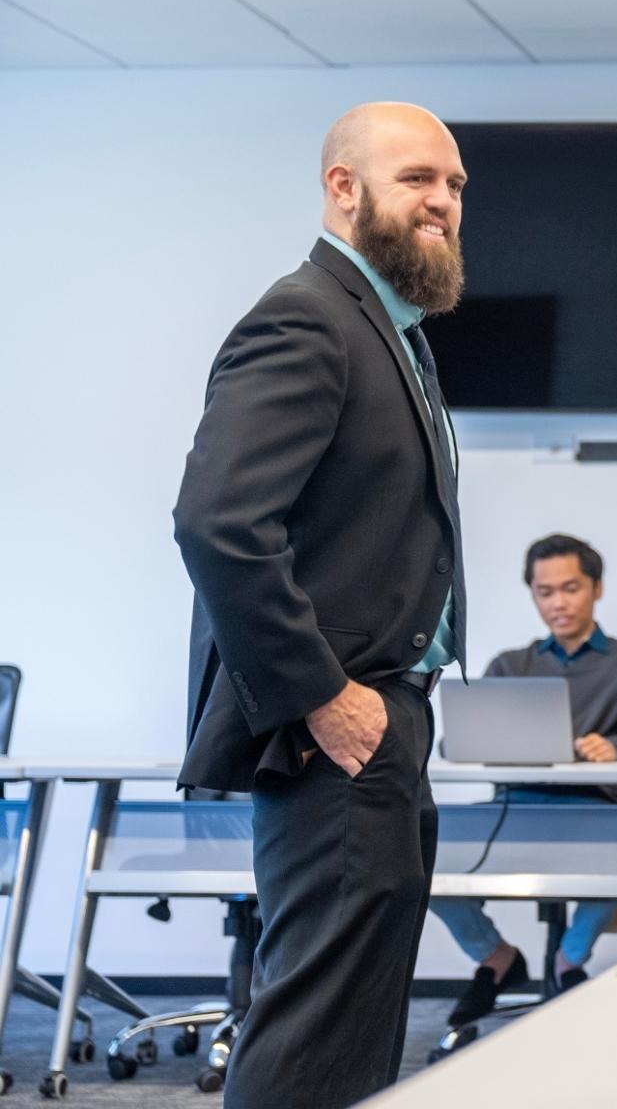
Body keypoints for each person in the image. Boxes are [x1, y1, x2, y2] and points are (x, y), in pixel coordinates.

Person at [172, 102, 468, 1108]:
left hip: (387, 722)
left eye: (456, 185)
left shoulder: (397, 335)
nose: (444, 200)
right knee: (314, 1030)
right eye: (419, 177)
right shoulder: (306, 315)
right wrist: (323, 697)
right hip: (334, 728)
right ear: (343, 188)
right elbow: (219, 522)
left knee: (356, 1029)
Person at [430, 534, 617, 1024]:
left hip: (596, 812)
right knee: (419, 844)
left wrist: (616, 747)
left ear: (596, 588)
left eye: (571, 588)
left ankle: (569, 958)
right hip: (516, 810)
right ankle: (497, 958)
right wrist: (471, 739)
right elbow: (457, 744)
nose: (558, 602)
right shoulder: (511, 665)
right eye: (545, 591)